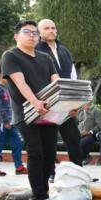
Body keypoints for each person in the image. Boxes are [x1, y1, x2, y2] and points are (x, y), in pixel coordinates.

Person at [1, 19, 63, 200]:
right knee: (36, 153)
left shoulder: (45, 58)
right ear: (16, 36)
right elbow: (20, 83)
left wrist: (68, 103)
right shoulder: (10, 56)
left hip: (49, 112)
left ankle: (38, 196)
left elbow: (57, 83)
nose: (32, 36)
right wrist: (36, 103)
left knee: (49, 155)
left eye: (35, 33)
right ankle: (40, 198)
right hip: (26, 113)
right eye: (27, 32)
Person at [37, 19, 84, 172]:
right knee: (49, 141)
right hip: (48, 103)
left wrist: (75, 102)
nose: (51, 30)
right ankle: (50, 173)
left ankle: (79, 172)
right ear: (40, 32)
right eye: (46, 28)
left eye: (53, 27)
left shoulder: (64, 50)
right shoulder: (36, 50)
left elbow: (73, 76)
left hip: (66, 102)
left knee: (74, 138)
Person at [0, 67, 26, 177]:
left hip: (11, 122)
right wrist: (4, 121)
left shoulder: (8, 88)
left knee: (17, 144)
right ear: (0, 75)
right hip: (2, 123)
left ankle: (19, 167)